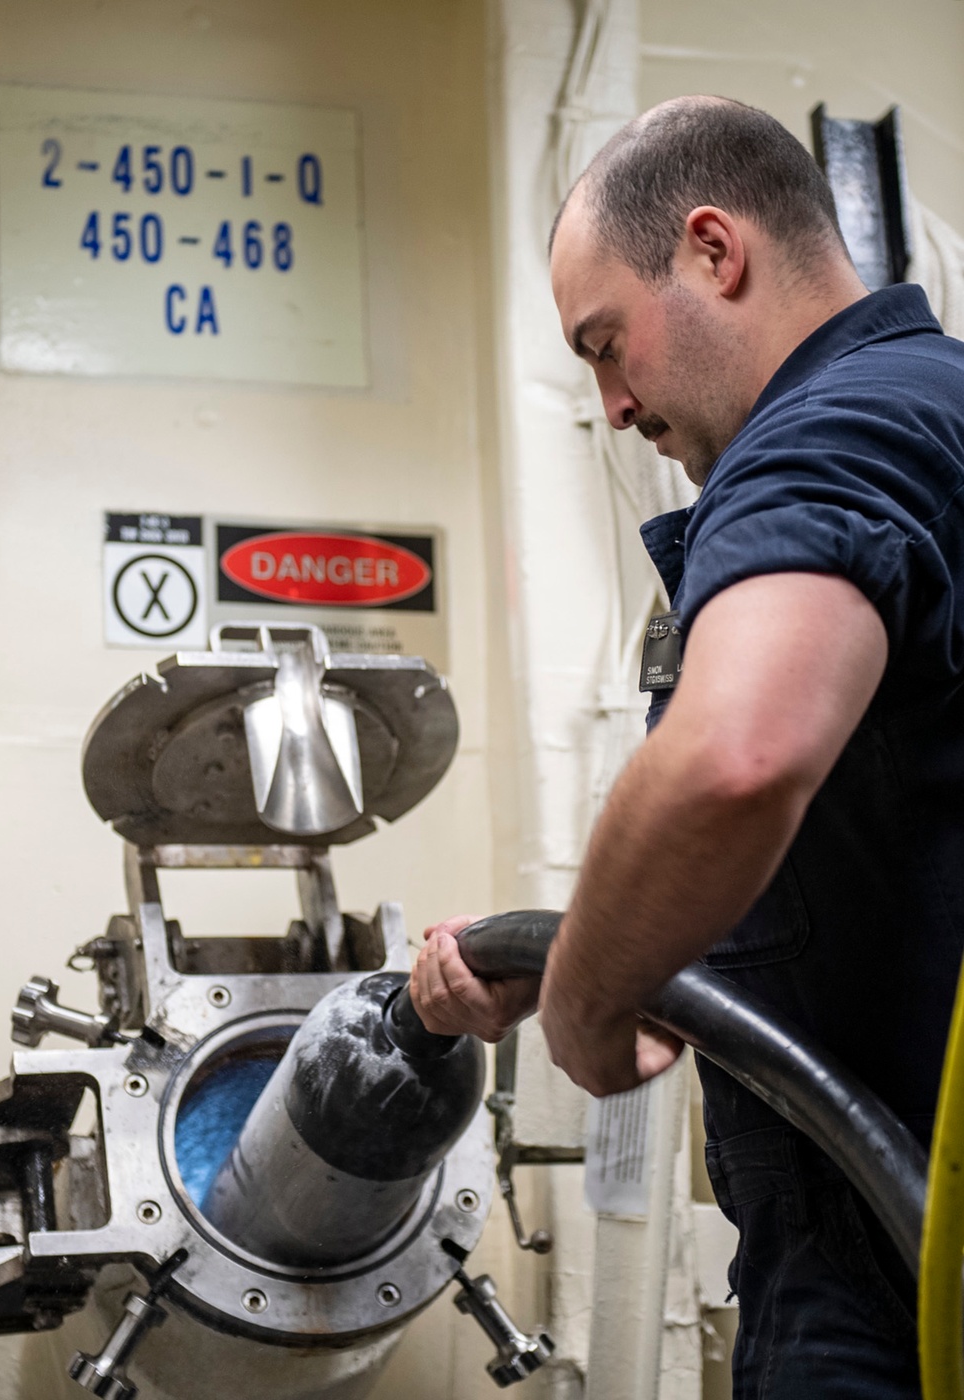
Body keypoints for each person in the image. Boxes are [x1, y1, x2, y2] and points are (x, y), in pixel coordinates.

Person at [411, 95, 964, 1398]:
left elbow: (737, 756)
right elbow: (840, 858)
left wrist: (594, 1002)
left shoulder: (828, 437)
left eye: (607, 346)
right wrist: (568, 958)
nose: (610, 406)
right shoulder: (931, 403)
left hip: (889, 1263)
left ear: (715, 252)